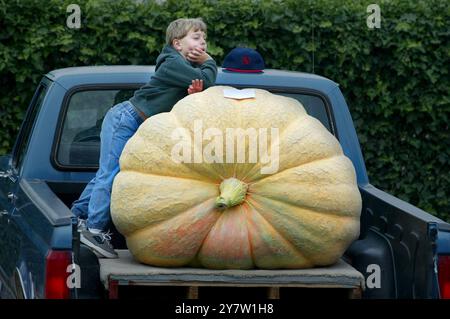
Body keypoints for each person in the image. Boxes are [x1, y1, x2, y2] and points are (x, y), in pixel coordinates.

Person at [71, 18, 217, 258]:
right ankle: (95, 230)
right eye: (196, 37)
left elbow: (196, 96)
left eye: (204, 38)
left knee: (106, 173)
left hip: (133, 122)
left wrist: (192, 94)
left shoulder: (184, 69)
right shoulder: (172, 61)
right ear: (177, 43)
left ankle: (76, 217)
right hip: (125, 119)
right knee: (111, 174)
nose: (202, 43)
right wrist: (208, 61)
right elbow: (209, 79)